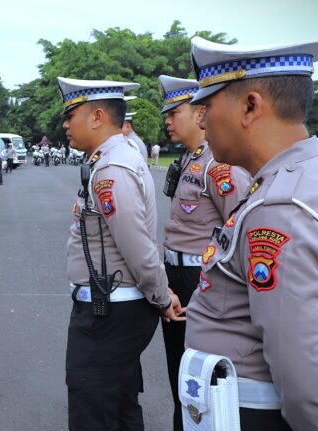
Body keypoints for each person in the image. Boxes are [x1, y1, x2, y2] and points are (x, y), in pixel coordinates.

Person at [183, 36, 318, 430]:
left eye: (207, 106)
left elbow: (303, 377)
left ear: (250, 106)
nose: (202, 121)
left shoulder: (279, 207)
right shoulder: (293, 179)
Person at [59, 76, 184, 430]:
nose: (66, 124)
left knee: (93, 409)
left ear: (97, 117)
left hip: (109, 312)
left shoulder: (111, 169)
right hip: (114, 306)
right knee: (120, 404)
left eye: (72, 114)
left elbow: (138, 246)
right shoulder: (112, 158)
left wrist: (161, 296)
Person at [157, 74, 249, 431]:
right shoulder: (188, 160)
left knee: (198, 378)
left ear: (199, 115)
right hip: (176, 276)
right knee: (179, 373)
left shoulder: (218, 165)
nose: (167, 119)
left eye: (174, 111)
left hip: (201, 280)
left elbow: (238, 229)